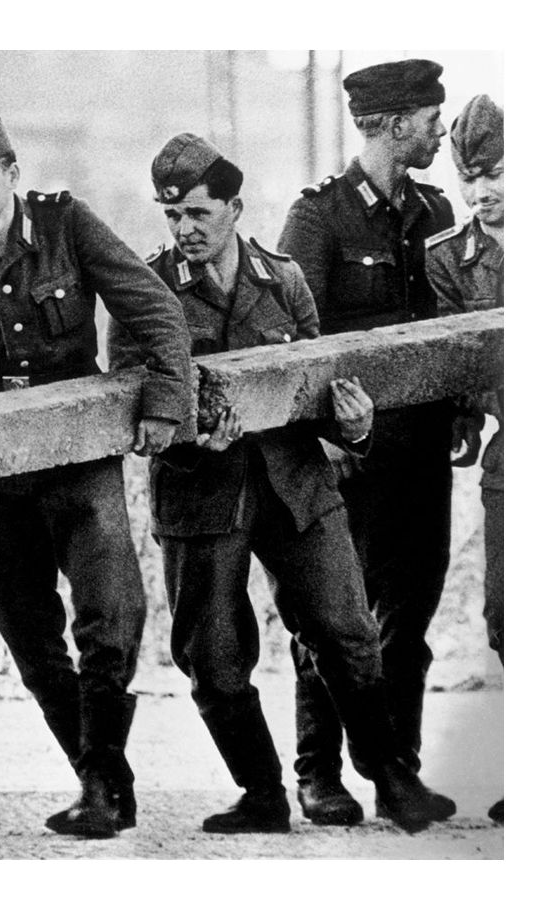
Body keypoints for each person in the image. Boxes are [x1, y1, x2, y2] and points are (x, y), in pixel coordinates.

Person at [109, 132, 452, 833]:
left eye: (198, 214)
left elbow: (316, 387)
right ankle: (262, 792)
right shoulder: (143, 295)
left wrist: (353, 429)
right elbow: (128, 409)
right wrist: (186, 437)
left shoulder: (283, 279)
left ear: (235, 208)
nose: (184, 230)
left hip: (296, 483)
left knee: (348, 631)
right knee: (213, 655)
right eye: (171, 216)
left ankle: (389, 779)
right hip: (201, 495)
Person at [0, 108, 193, 838]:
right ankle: (102, 779)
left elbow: (155, 311)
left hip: (79, 456)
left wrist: (164, 402)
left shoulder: (68, 226)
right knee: (34, 648)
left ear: (12, 174)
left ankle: (100, 787)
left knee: (110, 624)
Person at [278, 59, 458, 826]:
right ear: (390, 125)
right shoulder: (318, 218)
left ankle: (398, 772)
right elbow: (294, 340)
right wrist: (319, 442)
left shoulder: (438, 208)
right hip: (346, 457)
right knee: (329, 619)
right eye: (429, 119)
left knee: (407, 621)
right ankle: (318, 774)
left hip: (422, 454)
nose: (439, 131)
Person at [425, 94, 504, 825]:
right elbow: (460, 356)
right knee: (508, 614)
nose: (483, 193)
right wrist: (463, 417)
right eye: (471, 178)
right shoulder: (450, 259)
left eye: (499, 174)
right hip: (513, 455)